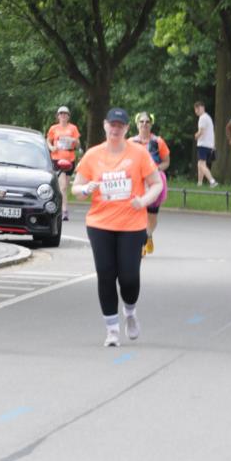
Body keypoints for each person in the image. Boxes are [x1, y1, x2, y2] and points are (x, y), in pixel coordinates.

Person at [72, 107, 162, 347]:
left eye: (120, 126)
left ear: (126, 129)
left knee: (129, 278)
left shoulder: (139, 154)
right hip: (100, 223)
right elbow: (76, 188)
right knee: (106, 274)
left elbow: (156, 184)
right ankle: (112, 330)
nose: (115, 129)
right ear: (104, 125)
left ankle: (130, 312)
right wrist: (85, 189)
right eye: (112, 124)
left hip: (132, 224)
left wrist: (143, 201)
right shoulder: (92, 155)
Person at [130, 112, 170, 256]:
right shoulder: (130, 142)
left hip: (154, 183)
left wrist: (157, 169)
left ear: (151, 124)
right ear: (137, 124)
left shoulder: (158, 142)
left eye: (147, 122)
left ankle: (148, 235)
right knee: (139, 212)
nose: (144, 124)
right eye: (141, 122)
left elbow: (166, 161)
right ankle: (140, 244)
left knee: (152, 216)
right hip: (137, 183)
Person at [46, 106, 81, 221]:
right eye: (61, 114)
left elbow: (78, 144)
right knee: (63, 186)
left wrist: (74, 141)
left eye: (65, 114)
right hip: (57, 159)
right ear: (58, 116)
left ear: (68, 116)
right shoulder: (53, 128)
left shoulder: (73, 128)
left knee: (63, 186)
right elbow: (48, 140)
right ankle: (64, 211)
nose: (63, 116)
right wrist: (51, 147)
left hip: (69, 158)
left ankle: (58, 207)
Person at [193, 101, 218, 187]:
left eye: (197, 109)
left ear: (200, 108)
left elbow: (201, 131)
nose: (196, 111)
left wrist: (196, 136)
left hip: (203, 144)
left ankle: (212, 181)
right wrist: (213, 145)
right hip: (209, 144)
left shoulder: (202, 118)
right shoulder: (208, 118)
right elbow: (212, 132)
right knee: (200, 163)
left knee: (201, 164)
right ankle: (199, 183)